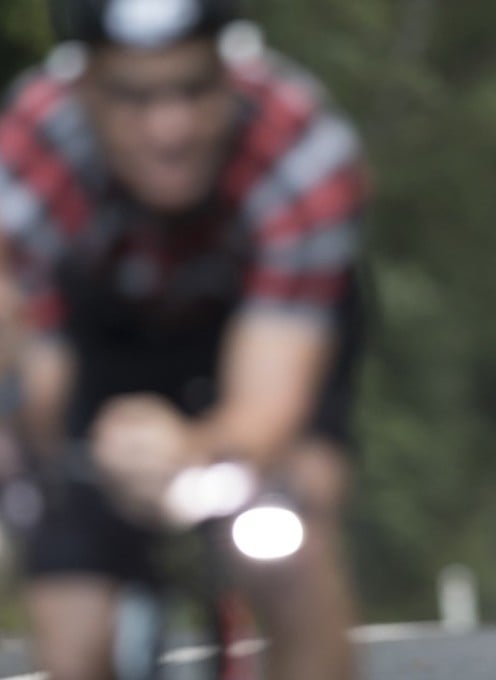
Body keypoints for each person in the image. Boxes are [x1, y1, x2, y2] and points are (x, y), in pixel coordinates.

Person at [0, 0, 367, 677]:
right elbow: (30, 373)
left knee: (296, 538)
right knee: (72, 625)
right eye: (132, 97)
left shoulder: (301, 145)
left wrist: (197, 456)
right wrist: (57, 461)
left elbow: (267, 411)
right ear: (82, 87)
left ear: (233, 70)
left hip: (255, 330)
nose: (169, 129)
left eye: (194, 89)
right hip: (98, 338)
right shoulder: (26, 149)